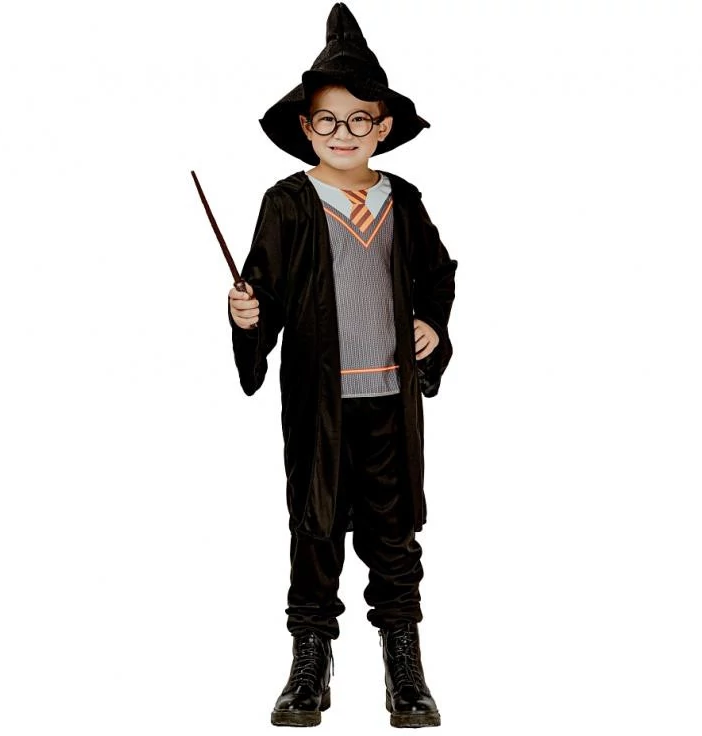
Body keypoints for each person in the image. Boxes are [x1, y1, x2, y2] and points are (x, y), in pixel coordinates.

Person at [226, 3, 457, 728]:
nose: (344, 132)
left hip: (389, 399)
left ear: (383, 126)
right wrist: (248, 314)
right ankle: (309, 665)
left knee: (394, 531)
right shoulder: (289, 204)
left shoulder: (402, 202)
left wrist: (431, 325)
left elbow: (437, 275)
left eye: (360, 119)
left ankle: (404, 666)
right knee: (316, 525)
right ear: (305, 127)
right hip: (319, 402)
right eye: (328, 119)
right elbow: (263, 287)